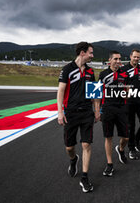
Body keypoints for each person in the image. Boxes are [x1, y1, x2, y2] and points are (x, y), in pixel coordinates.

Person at [57, 42, 100, 193]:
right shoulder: (67, 69)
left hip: (87, 113)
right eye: (90, 53)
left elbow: (94, 93)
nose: (92, 55)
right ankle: (73, 159)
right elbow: (61, 91)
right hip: (71, 114)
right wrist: (60, 112)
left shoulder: (90, 71)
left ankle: (85, 178)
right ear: (82, 53)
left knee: (86, 145)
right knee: (69, 147)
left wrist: (96, 110)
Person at [98, 51, 130, 176]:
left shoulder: (124, 74)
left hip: (122, 108)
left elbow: (127, 90)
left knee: (126, 137)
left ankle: (121, 149)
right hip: (107, 108)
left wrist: (127, 95)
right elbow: (98, 92)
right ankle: (109, 164)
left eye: (119, 59)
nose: (118, 61)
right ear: (109, 60)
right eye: (115, 59)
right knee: (108, 137)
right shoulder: (103, 74)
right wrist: (98, 109)